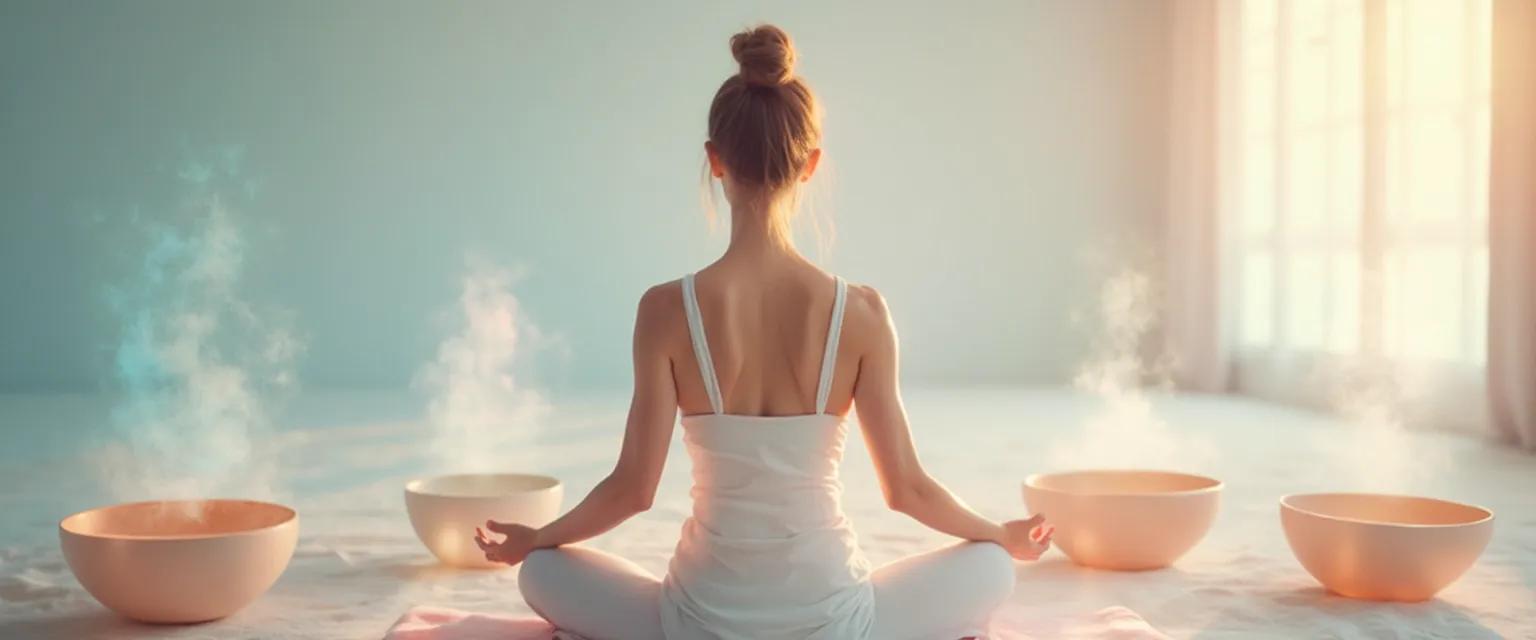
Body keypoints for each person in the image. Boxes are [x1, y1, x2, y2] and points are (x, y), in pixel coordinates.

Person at [473, 24, 1053, 640]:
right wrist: (1000, 534)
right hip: (835, 622)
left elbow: (633, 490)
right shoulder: (862, 313)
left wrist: (537, 539)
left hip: (697, 622)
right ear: (810, 165)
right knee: (992, 567)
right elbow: (906, 490)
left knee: (539, 572)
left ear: (715, 159)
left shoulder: (666, 310)